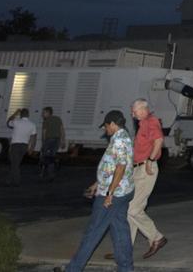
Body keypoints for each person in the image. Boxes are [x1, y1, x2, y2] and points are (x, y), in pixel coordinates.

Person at [52, 110, 135, 272]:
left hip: (113, 194)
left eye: (106, 126)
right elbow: (111, 166)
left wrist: (109, 194)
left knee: (93, 232)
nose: (105, 129)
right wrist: (97, 183)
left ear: (113, 124)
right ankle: (126, 268)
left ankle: (73, 269)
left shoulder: (119, 141)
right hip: (123, 191)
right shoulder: (123, 136)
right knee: (120, 230)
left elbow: (120, 167)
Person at [106, 98, 168, 260]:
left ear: (143, 109)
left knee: (133, 210)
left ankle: (156, 238)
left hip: (146, 169)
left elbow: (159, 140)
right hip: (137, 169)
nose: (132, 115)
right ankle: (124, 248)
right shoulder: (143, 124)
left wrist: (151, 160)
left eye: (134, 111)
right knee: (129, 209)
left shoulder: (151, 121)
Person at [6, 108, 36, 186]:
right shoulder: (32, 124)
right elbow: (33, 137)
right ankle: (10, 179)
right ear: (28, 115)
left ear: (21, 115)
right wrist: (31, 148)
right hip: (24, 146)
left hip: (15, 145)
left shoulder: (16, 122)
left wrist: (15, 113)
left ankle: (16, 181)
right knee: (16, 163)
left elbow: (8, 122)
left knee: (14, 163)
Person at [39, 106, 66, 182]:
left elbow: (44, 133)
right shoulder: (58, 119)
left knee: (45, 157)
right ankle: (51, 172)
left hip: (49, 140)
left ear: (48, 112)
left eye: (44, 112)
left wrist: (43, 143)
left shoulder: (46, 121)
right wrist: (63, 141)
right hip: (57, 140)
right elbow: (62, 130)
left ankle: (45, 173)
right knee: (51, 156)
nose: (42, 114)